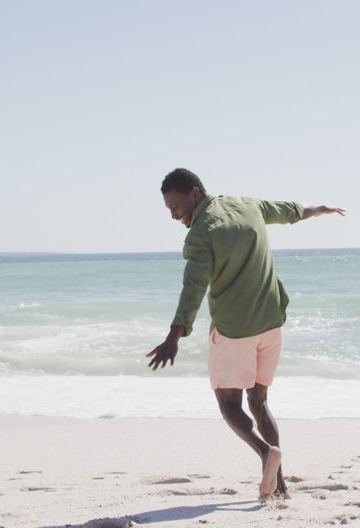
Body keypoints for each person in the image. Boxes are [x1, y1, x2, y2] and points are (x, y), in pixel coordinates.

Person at [146, 167, 344, 501]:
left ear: (194, 194)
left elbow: (193, 288)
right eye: (169, 209)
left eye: (176, 207)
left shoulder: (200, 234)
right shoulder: (247, 205)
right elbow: (289, 212)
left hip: (234, 329)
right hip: (270, 321)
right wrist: (318, 210)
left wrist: (174, 336)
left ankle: (266, 453)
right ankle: (279, 484)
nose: (174, 215)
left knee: (228, 405)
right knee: (260, 401)